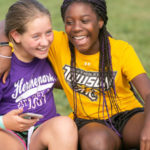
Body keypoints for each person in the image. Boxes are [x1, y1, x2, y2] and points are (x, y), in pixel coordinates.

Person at [1, 0, 150, 150]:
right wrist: (5, 51)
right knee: (96, 141)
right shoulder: (53, 44)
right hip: (88, 122)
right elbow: (11, 22)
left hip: (126, 116)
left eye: (84, 20)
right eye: (69, 22)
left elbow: (148, 92)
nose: (76, 28)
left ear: (100, 21)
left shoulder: (120, 50)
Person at [0, 0, 78, 150]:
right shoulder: (3, 66)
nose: (44, 42)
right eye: (36, 36)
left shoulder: (50, 54)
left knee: (64, 124)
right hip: (9, 133)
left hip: (43, 130)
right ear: (16, 35)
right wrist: (4, 122)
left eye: (48, 32)